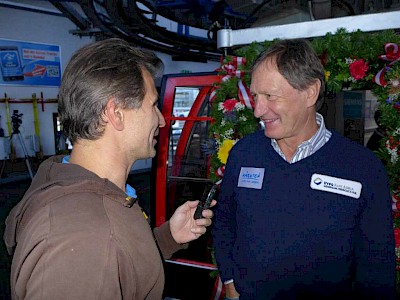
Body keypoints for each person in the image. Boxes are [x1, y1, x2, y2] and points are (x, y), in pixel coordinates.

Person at [3, 38, 215, 300]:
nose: (161, 120)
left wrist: (168, 237)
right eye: (152, 105)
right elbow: (99, 253)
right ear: (115, 113)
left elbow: (116, 265)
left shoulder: (74, 187)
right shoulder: (83, 236)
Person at [212, 39, 395, 299]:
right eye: (255, 96)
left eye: (270, 96)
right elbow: (225, 222)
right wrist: (229, 280)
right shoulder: (243, 154)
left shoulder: (363, 169)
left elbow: (377, 269)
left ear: (310, 92)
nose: (258, 110)